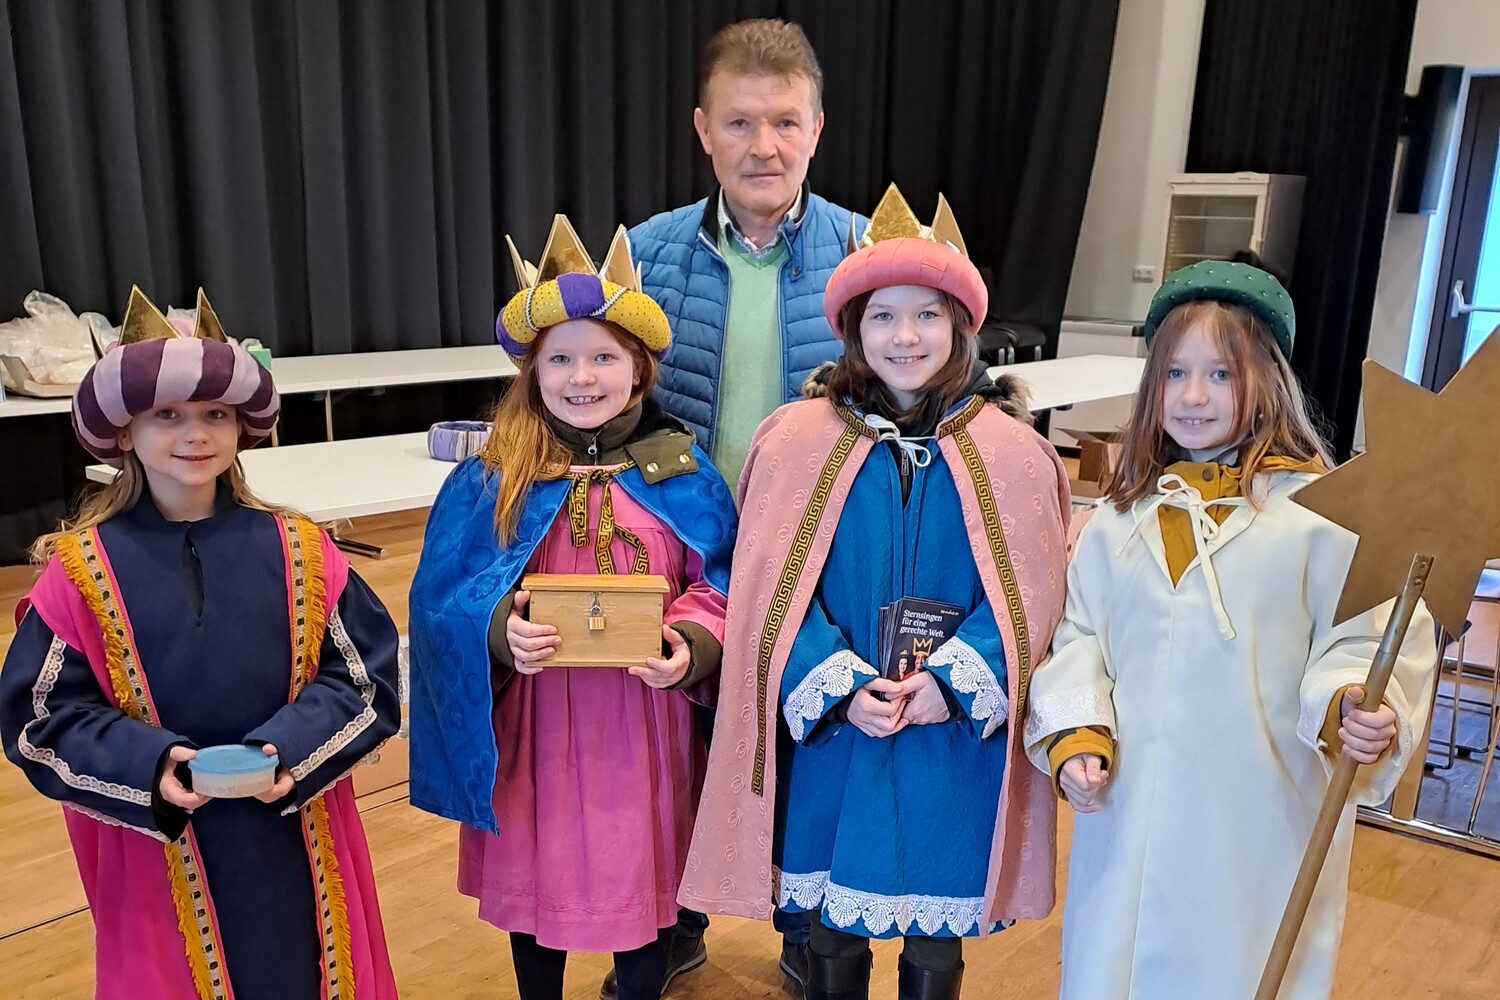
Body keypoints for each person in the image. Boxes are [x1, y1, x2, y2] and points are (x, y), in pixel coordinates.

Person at [679, 185, 1071, 1000]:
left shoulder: (1014, 453)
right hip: (840, 731)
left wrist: (952, 683)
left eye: (927, 315)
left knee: (937, 937)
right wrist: (838, 685)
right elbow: (769, 592)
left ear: (961, 325)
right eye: (883, 316)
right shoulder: (795, 441)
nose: (905, 336)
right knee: (831, 925)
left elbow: (1032, 599)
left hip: (949, 736)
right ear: (854, 327)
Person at [1024, 260, 1440, 999]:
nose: (1193, 396)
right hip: (1129, 808)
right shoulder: (1117, 523)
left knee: (1236, 964)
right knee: (1116, 963)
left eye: (1220, 374)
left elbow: (1363, 639)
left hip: (1258, 815)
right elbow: (1080, 639)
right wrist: (1078, 735)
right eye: (1174, 373)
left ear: (1268, 382)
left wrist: (1350, 702)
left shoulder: (1320, 519)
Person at [0, 287, 403, 999]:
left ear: (242, 426)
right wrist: (151, 764)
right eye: (168, 415)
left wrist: (289, 749)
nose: (195, 433)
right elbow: (42, 718)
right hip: (159, 848)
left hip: (294, 831)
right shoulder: (79, 572)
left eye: (215, 414)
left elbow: (365, 680)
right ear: (124, 433)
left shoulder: (303, 550)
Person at [406, 218, 736, 1000]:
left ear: (639, 368)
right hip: (536, 722)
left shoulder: (681, 473)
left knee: (644, 875)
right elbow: (441, 596)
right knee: (537, 871)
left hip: (644, 723)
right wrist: (498, 629)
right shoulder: (492, 477)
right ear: (532, 371)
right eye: (560, 359)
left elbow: (723, 581)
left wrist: (690, 642)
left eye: (603, 357)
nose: (581, 377)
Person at [629, 17, 866, 491]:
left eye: (786, 123)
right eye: (739, 123)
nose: (763, 148)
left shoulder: (871, 256)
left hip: (826, 531)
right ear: (704, 131)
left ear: (816, 130)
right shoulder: (641, 257)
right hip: (677, 530)